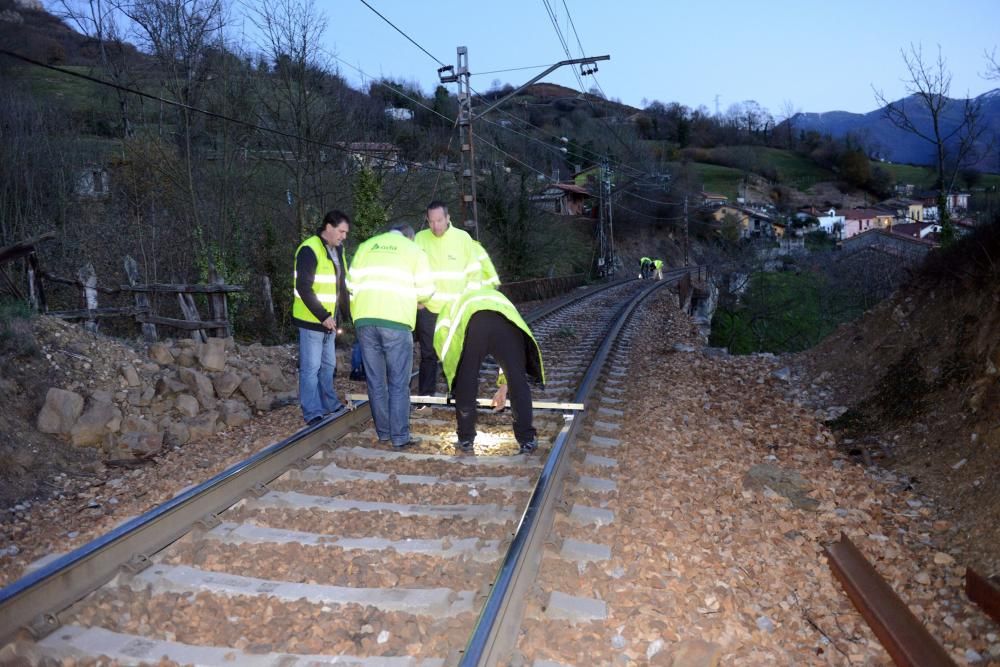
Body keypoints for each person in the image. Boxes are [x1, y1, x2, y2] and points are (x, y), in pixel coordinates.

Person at [347, 223, 434, 449]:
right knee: (398, 382)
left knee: (375, 382)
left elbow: (349, 284)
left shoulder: (366, 246)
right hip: (396, 321)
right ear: (409, 237)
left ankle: (384, 433)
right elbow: (426, 291)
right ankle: (400, 437)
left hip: (364, 321)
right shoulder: (413, 250)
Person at [434, 286, 544, 454]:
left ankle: (465, 439)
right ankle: (526, 440)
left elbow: (443, 339)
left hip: (476, 324)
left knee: (467, 378)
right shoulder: (497, 297)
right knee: (518, 381)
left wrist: (453, 373)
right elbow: (509, 357)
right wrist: (504, 386)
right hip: (508, 326)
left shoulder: (452, 301)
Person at [414, 201, 500, 397]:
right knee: (428, 354)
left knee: (458, 353)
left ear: (448, 218)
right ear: (427, 220)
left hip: (455, 309)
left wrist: (466, 303)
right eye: (431, 221)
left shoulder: (463, 238)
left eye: (439, 220)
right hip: (428, 308)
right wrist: (417, 300)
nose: (435, 226)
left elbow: (474, 274)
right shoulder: (419, 239)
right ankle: (426, 398)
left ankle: (460, 394)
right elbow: (411, 270)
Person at [293, 210, 351, 425]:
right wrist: (323, 316)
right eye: (341, 231)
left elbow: (340, 285)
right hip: (312, 321)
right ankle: (312, 412)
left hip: (330, 321)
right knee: (311, 368)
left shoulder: (338, 250)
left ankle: (329, 404)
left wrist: (347, 316)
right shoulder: (309, 249)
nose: (344, 236)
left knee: (328, 365)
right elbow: (303, 288)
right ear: (329, 227)